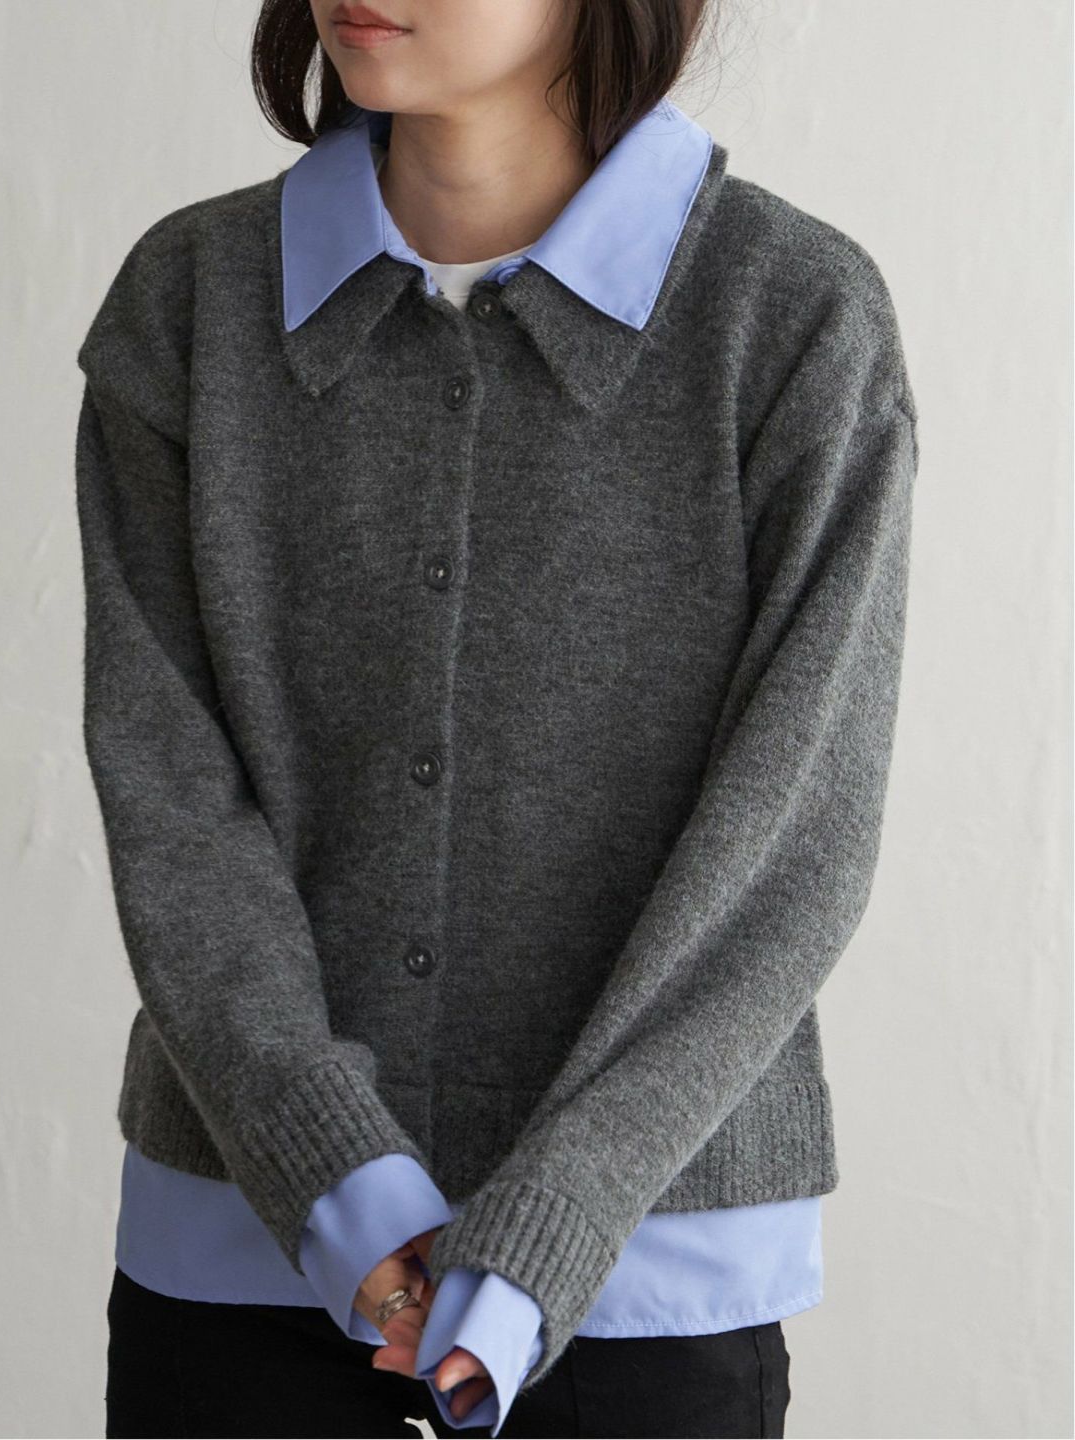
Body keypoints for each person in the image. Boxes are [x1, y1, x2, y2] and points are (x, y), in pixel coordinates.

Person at [74, 0, 919, 1436]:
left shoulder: (792, 317)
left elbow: (793, 844)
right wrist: (330, 1172)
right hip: (241, 1257)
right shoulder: (192, 301)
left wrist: (558, 1217)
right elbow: (170, 798)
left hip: (652, 1270)